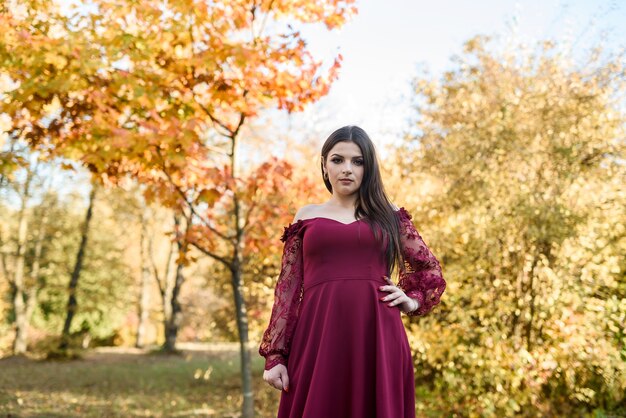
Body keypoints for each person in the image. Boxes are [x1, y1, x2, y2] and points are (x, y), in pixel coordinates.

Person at [258, 125, 446, 417]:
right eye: (338, 159)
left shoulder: (389, 215)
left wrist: (412, 301)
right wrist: (275, 356)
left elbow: (429, 269)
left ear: (368, 167)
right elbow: (288, 289)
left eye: (357, 161)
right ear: (324, 164)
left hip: (377, 335)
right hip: (317, 335)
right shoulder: (307, 215)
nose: (347, 169)